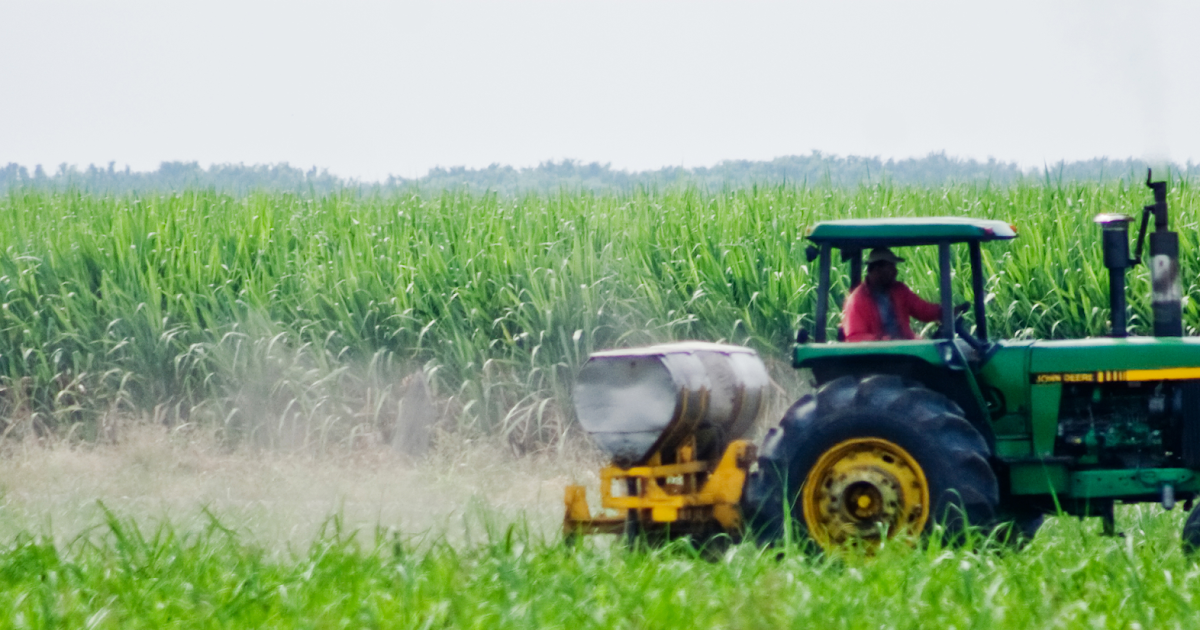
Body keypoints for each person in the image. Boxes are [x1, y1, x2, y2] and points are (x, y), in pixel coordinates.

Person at [841, 248, 943, 342]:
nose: (895, 271)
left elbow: (923, 310)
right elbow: (855, 337)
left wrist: (943, 312)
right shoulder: (857, 300)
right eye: (891, 267)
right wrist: (885, 340)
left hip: (905, 349)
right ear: (877, 269)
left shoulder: (899, 290)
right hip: (878, 356)